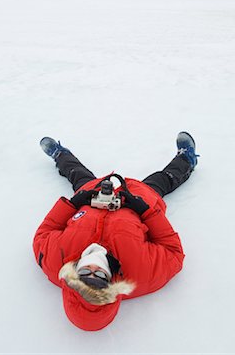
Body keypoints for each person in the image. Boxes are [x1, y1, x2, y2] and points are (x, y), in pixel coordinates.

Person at [33, 132, 199, 331]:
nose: (94, 269)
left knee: (77, 174)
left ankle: (60, 154)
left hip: (90, 200)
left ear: (72, 278)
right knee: (160, 181)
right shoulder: (142, 274)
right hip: (135, 204)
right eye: (100, 277)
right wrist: (146, 212)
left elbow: (44, 232)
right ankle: (186, 159)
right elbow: (173, 252)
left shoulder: (54, 261)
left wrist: (73, 203)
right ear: (111, 283)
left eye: (85, 273)